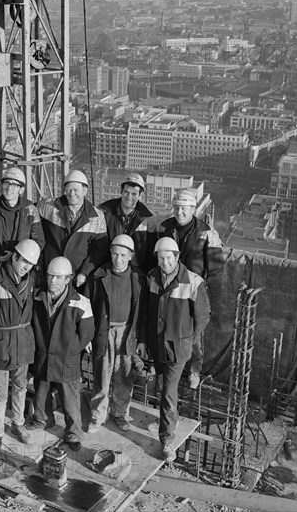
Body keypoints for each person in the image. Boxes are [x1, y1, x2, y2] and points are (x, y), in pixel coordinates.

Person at [137, 237, 210, 463]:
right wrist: (141, 340)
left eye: (168, 258)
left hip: (178, 347)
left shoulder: (193, 282)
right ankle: (166, 419)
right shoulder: (151, 277)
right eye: (161, 258)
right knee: (161, 385)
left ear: (177, 257)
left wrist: (189, 341)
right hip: (157, 344)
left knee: (169, 392)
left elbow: (202, 318)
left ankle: (167, 440)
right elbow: (145, 313)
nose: (165, 263)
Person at [0, 239, 41, 462]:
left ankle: (18, 424)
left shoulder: (31, 280)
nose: (26, 267)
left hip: (23, 345)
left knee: (21, 388)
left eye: (31, 264)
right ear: (14, 257)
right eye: (24, 261)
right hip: (1, 348)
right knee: (0, 395)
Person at [152, 189, 224, 389]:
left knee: (193, 332)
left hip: (192, 289)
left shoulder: (206, 232)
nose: (179, 212)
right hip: (167, 286)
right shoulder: (164, 228)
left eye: (184, 208)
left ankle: (193, 370)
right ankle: (163, 369)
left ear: (193, 209)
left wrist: (201, 282)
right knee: (164, 327)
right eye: (176, 208)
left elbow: (216, 266)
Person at [27, 256, 95, 451]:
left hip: (67, 358)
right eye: (50, 276)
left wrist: (70, 349)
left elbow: (86, 334)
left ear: (68, 279)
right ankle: (41, 420)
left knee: (70, 398)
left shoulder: (81, 303)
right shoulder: (37, 298)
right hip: (43, 355)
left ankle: (73, 434)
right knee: (41, 391)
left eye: (58, 277)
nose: (53, 281)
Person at [85, 234, 147, 433]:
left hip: (128, 332)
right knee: (102, 374)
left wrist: (141, 340)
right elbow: (85, 307)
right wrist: (87, 334)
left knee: (124, 375)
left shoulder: (138, 278)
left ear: (130, 256)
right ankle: (97, 415)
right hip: (104, 332)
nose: (118, 259)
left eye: (123, 255)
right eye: (115, 254)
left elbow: (144, 313)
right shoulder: (99, 275)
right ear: (110, 253)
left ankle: (120, 413)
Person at [37, 170, 108, 290]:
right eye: (69, 190)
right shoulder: (49, 207)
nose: (71, 194)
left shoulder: (97, 216)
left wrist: (85, 272)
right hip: (50, 273)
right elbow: (30, 219)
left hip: (76, 277)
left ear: (85, 191)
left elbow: (99, 250)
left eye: (76, 190)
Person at [99, 173, 154, 272]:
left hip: (135, 273)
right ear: (121, 191)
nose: (129, 197)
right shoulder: (105, 212)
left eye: (134, 194)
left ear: (140, 195)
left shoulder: (147, 219)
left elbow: (150, 253)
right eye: (126, 192)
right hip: (107, 271)